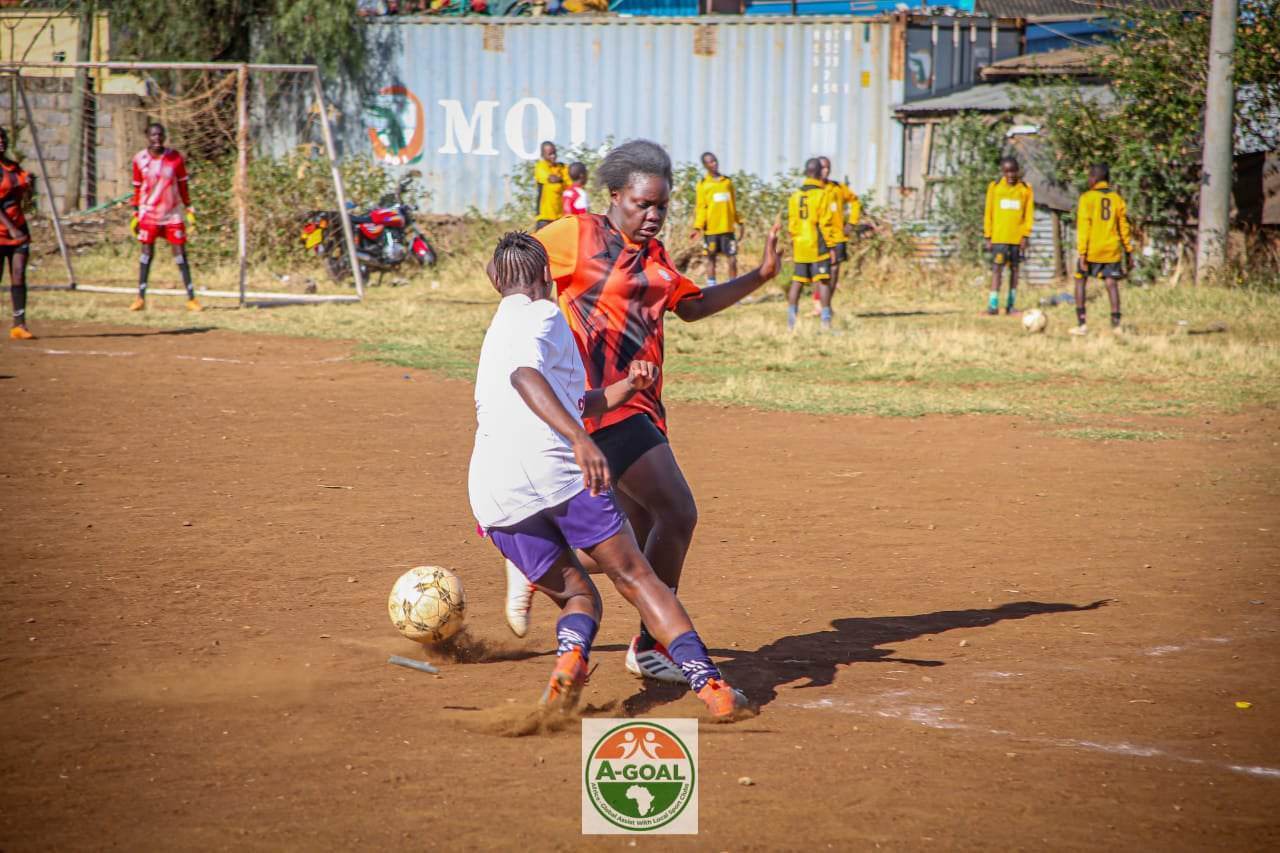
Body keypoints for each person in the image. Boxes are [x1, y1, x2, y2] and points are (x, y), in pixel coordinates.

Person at [506, 139, 780, 684]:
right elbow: (510, 267)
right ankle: (652, 646)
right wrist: (534, 331)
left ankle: (538, 560)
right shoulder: (575, 234)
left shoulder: (653, 255)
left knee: (635, 536)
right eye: (642, 204)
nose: (653, 215)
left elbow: (691, 306)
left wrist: (760, 275)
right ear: (614, 196)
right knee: (677, 512)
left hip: (643, 406)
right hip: (601, 407)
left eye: (662, 206)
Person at [470, 231, 749, 718]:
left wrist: (627, 387)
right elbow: (525, 377)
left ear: (496, 281)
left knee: (580, 597)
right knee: (637, 576)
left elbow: (575, 401)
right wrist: (580, 441)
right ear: (547, 276)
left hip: (493, 496)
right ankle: (712, 687)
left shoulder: (498, 328)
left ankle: (569, 662)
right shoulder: (544, 314)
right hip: (555, 471)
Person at [130, 123, 200, 312]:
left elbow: (183, 185)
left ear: (165, 136)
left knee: (180, 254)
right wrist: (135, 212)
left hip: (172, 214)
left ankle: (192, 299)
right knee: (146, 254)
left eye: (160, 135)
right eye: (153, 135)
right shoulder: (139, 159)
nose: (157, 138)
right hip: (149, 214)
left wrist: (189, 207)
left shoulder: (175, 158)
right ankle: (140, 298)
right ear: (147, 137)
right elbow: (137, 187)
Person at [1072, 162, 1133, 336]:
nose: (1088, 180)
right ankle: (1116, 325)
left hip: (1092, 250)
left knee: (1080, 280)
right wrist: (1128, 250)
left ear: (1094, 179)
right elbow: (1123, 226)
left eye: (1089, 176)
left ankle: (1082, 324)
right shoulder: (1116, 199)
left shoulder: (1086, 198)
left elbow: (1084, 227)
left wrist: (1082, 253)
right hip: (1111, 249)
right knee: (1111, 283)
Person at [787, 158, 836, 330]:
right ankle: (826, 322)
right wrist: (831, 246)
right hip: (817, 245)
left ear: (806, 172)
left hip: (800, 245)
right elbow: (825, 223)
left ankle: (791, 323)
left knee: (797, 282)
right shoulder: (822, 194)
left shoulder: (795, 196)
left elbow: (792, 225)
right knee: (823, 281)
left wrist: (794, 243)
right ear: (819, 172)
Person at [982, 156, 1034, 316]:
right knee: (997, 270)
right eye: (1007, 171)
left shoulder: (1025, 189)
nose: (1010, 175)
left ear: (1018, 171)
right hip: (999, 238)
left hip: (1017, 239)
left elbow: (1028, 214)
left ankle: (1011, 305)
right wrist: (988, 236)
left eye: (1013, 171)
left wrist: (1025, 235)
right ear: (1002, 172)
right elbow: (988, 212)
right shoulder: (995, 187)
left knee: (1015, 271)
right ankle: (993, 305)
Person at [813, 155, 859, 315]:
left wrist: (851, 223)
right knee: (819, 271)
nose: (826, 170)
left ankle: (827, 304)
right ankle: (818, 304)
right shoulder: (812, 189)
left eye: (828, 167)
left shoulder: (837, 188)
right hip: (819, 237)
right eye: (823, 167)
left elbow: (855, 201)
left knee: (834, 270)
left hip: (837, 236)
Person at [0, 128, 34, 340]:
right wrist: (10, 229)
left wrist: (30, 188)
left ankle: (19, 323)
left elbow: (26, 202)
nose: (1, 142)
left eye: (3, 138)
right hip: (3, 232)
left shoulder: (13, 168)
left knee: (19, 272)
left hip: (19, 230)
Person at [689, 151, 742, 287]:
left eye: (714, 161)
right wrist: (697, 227)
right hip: (711, 230)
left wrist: (739, 221)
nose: (714, 164)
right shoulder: (703, 184)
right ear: (705, 165)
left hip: (727, 229)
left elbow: (733, 204)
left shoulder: (727, 182)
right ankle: (712, 287)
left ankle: (733, 287)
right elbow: (701, 207)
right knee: (711, 258)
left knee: (732, 258)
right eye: (710, 162)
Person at [533, 141, 569, 230]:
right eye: (550, 154)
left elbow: (571, 182)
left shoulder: (562, 167)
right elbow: (551, 178)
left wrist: (559, 179)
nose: (553, 156)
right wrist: (562, 179)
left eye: (554, 153)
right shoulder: (540, 166)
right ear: (543, 155)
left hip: (560, 217)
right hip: (545, 218)